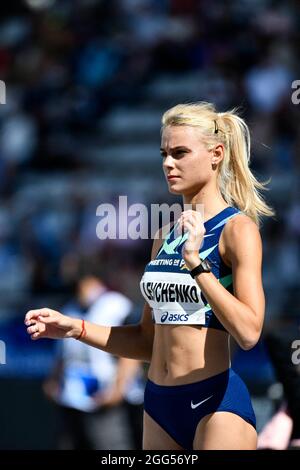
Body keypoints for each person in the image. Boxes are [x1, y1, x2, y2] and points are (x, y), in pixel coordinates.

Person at [25, 102, 274, 450]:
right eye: (164, 153)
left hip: (214, 403)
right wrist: (75, 328)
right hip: (158, 403)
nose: (168, 164)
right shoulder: (164, 235)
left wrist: (197, 266)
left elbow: (249, 332)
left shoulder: (237, 230)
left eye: (180, 153)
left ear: (216, 154)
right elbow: (146, 341)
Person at [43, 270, 144, 450]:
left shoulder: (116, 305)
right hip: (73, 398)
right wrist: (54, 378)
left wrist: (118, 389)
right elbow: (64, 353)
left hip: (108, 397)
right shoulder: (69, 308)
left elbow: (132, 347)